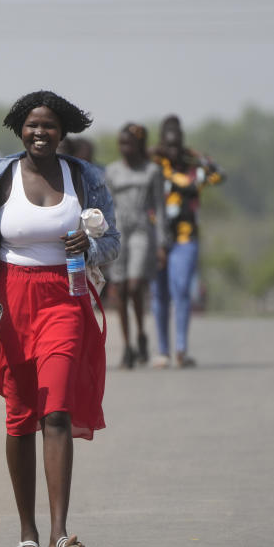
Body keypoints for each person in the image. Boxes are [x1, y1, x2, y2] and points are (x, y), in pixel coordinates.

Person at [0, 91, 120, 547]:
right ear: (19, 130)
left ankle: (60, 533)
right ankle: (27, 530)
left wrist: (90, 244)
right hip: (9, 299)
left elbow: (113, 243)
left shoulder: (85, 178)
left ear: (62, 132)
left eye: (48, 126)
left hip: (65, 299)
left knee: (57, 409)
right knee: (21, 415)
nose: (39, 132)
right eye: (31, 125)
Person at [150, 115, 225, 368]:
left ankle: (181, 348)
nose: (172, 150)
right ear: (161, 143)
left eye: (177, 144)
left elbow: (219, 175)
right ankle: (163, 350)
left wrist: (196, 154)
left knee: (181, 290)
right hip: (157, 239)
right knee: (158, 294)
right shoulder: (153, 165)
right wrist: (154, 151)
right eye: (168, 145)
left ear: (182, 143)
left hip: (186, 237)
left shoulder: (194, 169)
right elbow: (134, 158)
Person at [103, 123, 165, 368]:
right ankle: (128, 344)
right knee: (119, 287)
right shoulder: (112, 171)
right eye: (121, 143)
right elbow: (105, 206)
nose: (123, 148)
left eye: (128, 143)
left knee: (135, 283)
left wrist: (162, 243)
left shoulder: (152, 171)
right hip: (118, 230)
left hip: (141, 228)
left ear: (139, 144)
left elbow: (159, 208)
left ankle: (141, 332)